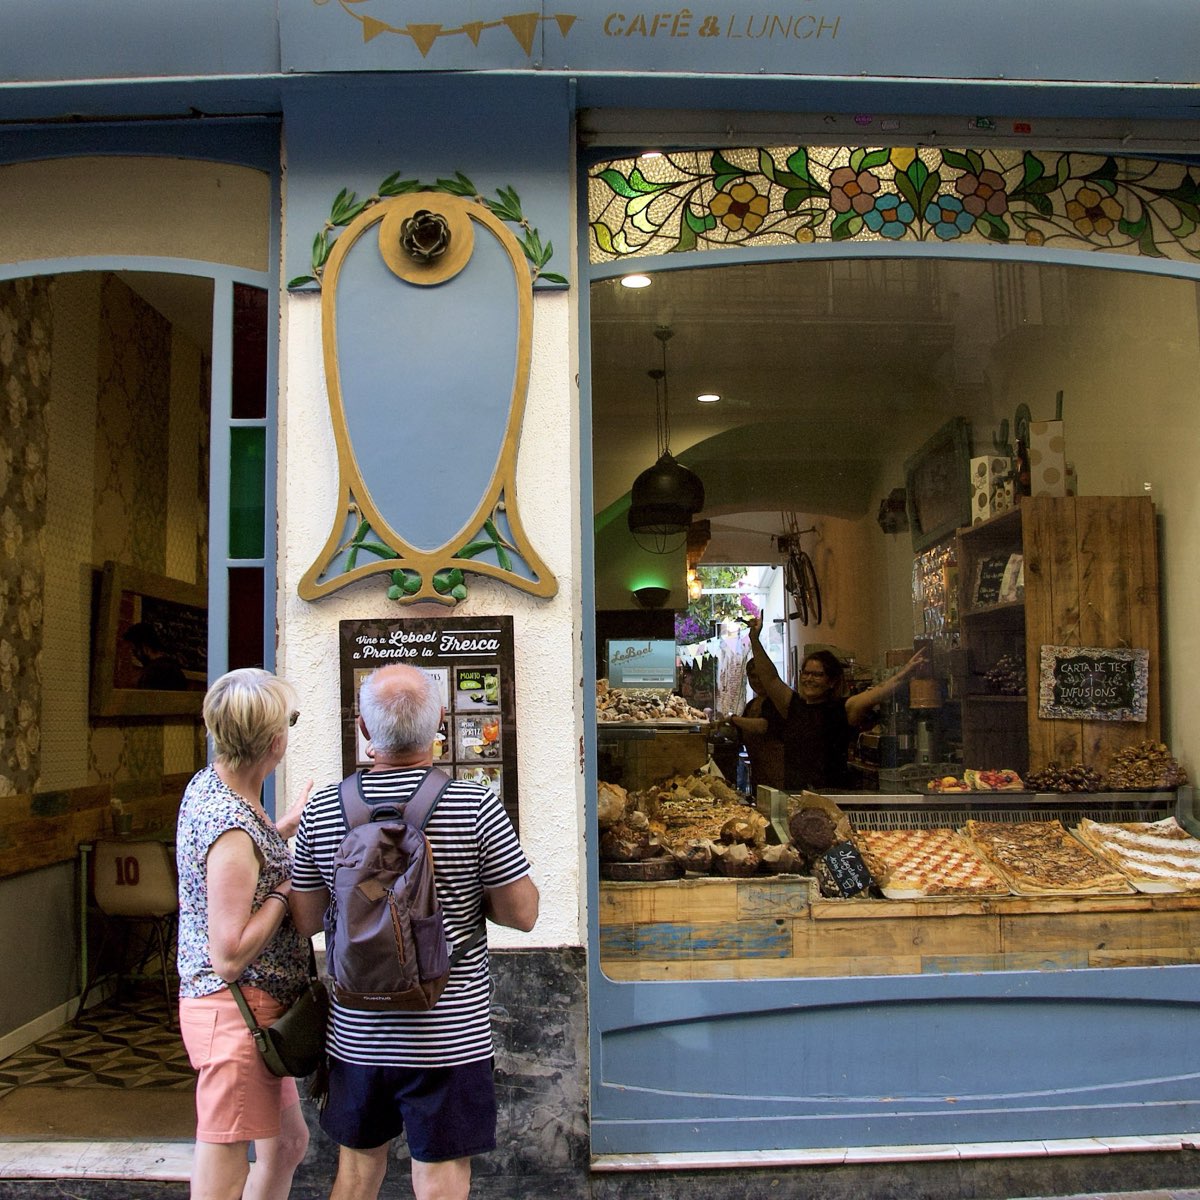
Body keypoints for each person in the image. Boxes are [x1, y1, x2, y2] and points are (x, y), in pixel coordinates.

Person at [290, 663, 539, 1200]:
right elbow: (522, 913)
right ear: (441, 722)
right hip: (448, 1037)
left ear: (363, 727)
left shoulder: (323, 809)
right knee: (441, 1178)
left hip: (357, 1032)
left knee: (356, 1174)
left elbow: (306, 921)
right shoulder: (475, 806)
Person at [176, 667, 313, 1200]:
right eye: (289, 722)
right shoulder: (231, 825)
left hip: (250, 1012)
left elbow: (237, 868)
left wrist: (281, 832)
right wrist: (285, 888)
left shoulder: (213, 786)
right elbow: (229, 955)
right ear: (274, 742)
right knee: (224, 1171)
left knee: (289, 1144)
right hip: (236, 1013)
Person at [741, 616, 928, 791]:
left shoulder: (842, 709)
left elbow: (878, 692)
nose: (809, 679)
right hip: (796, 796)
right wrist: (755, 640)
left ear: (831, 681)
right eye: (806, 673)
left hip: (833, 796)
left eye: (817, 675)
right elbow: (770, 678)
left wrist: (906, 672)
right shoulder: (792, 705)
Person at [726, 657, 787, 791]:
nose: (757, 680)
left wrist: (733, 719)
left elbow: (762, 726)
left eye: (761, 676)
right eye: (753, 676)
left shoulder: (778, 702)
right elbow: (739, 734)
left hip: (779, 776)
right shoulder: (751, 705)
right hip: (759, 774)